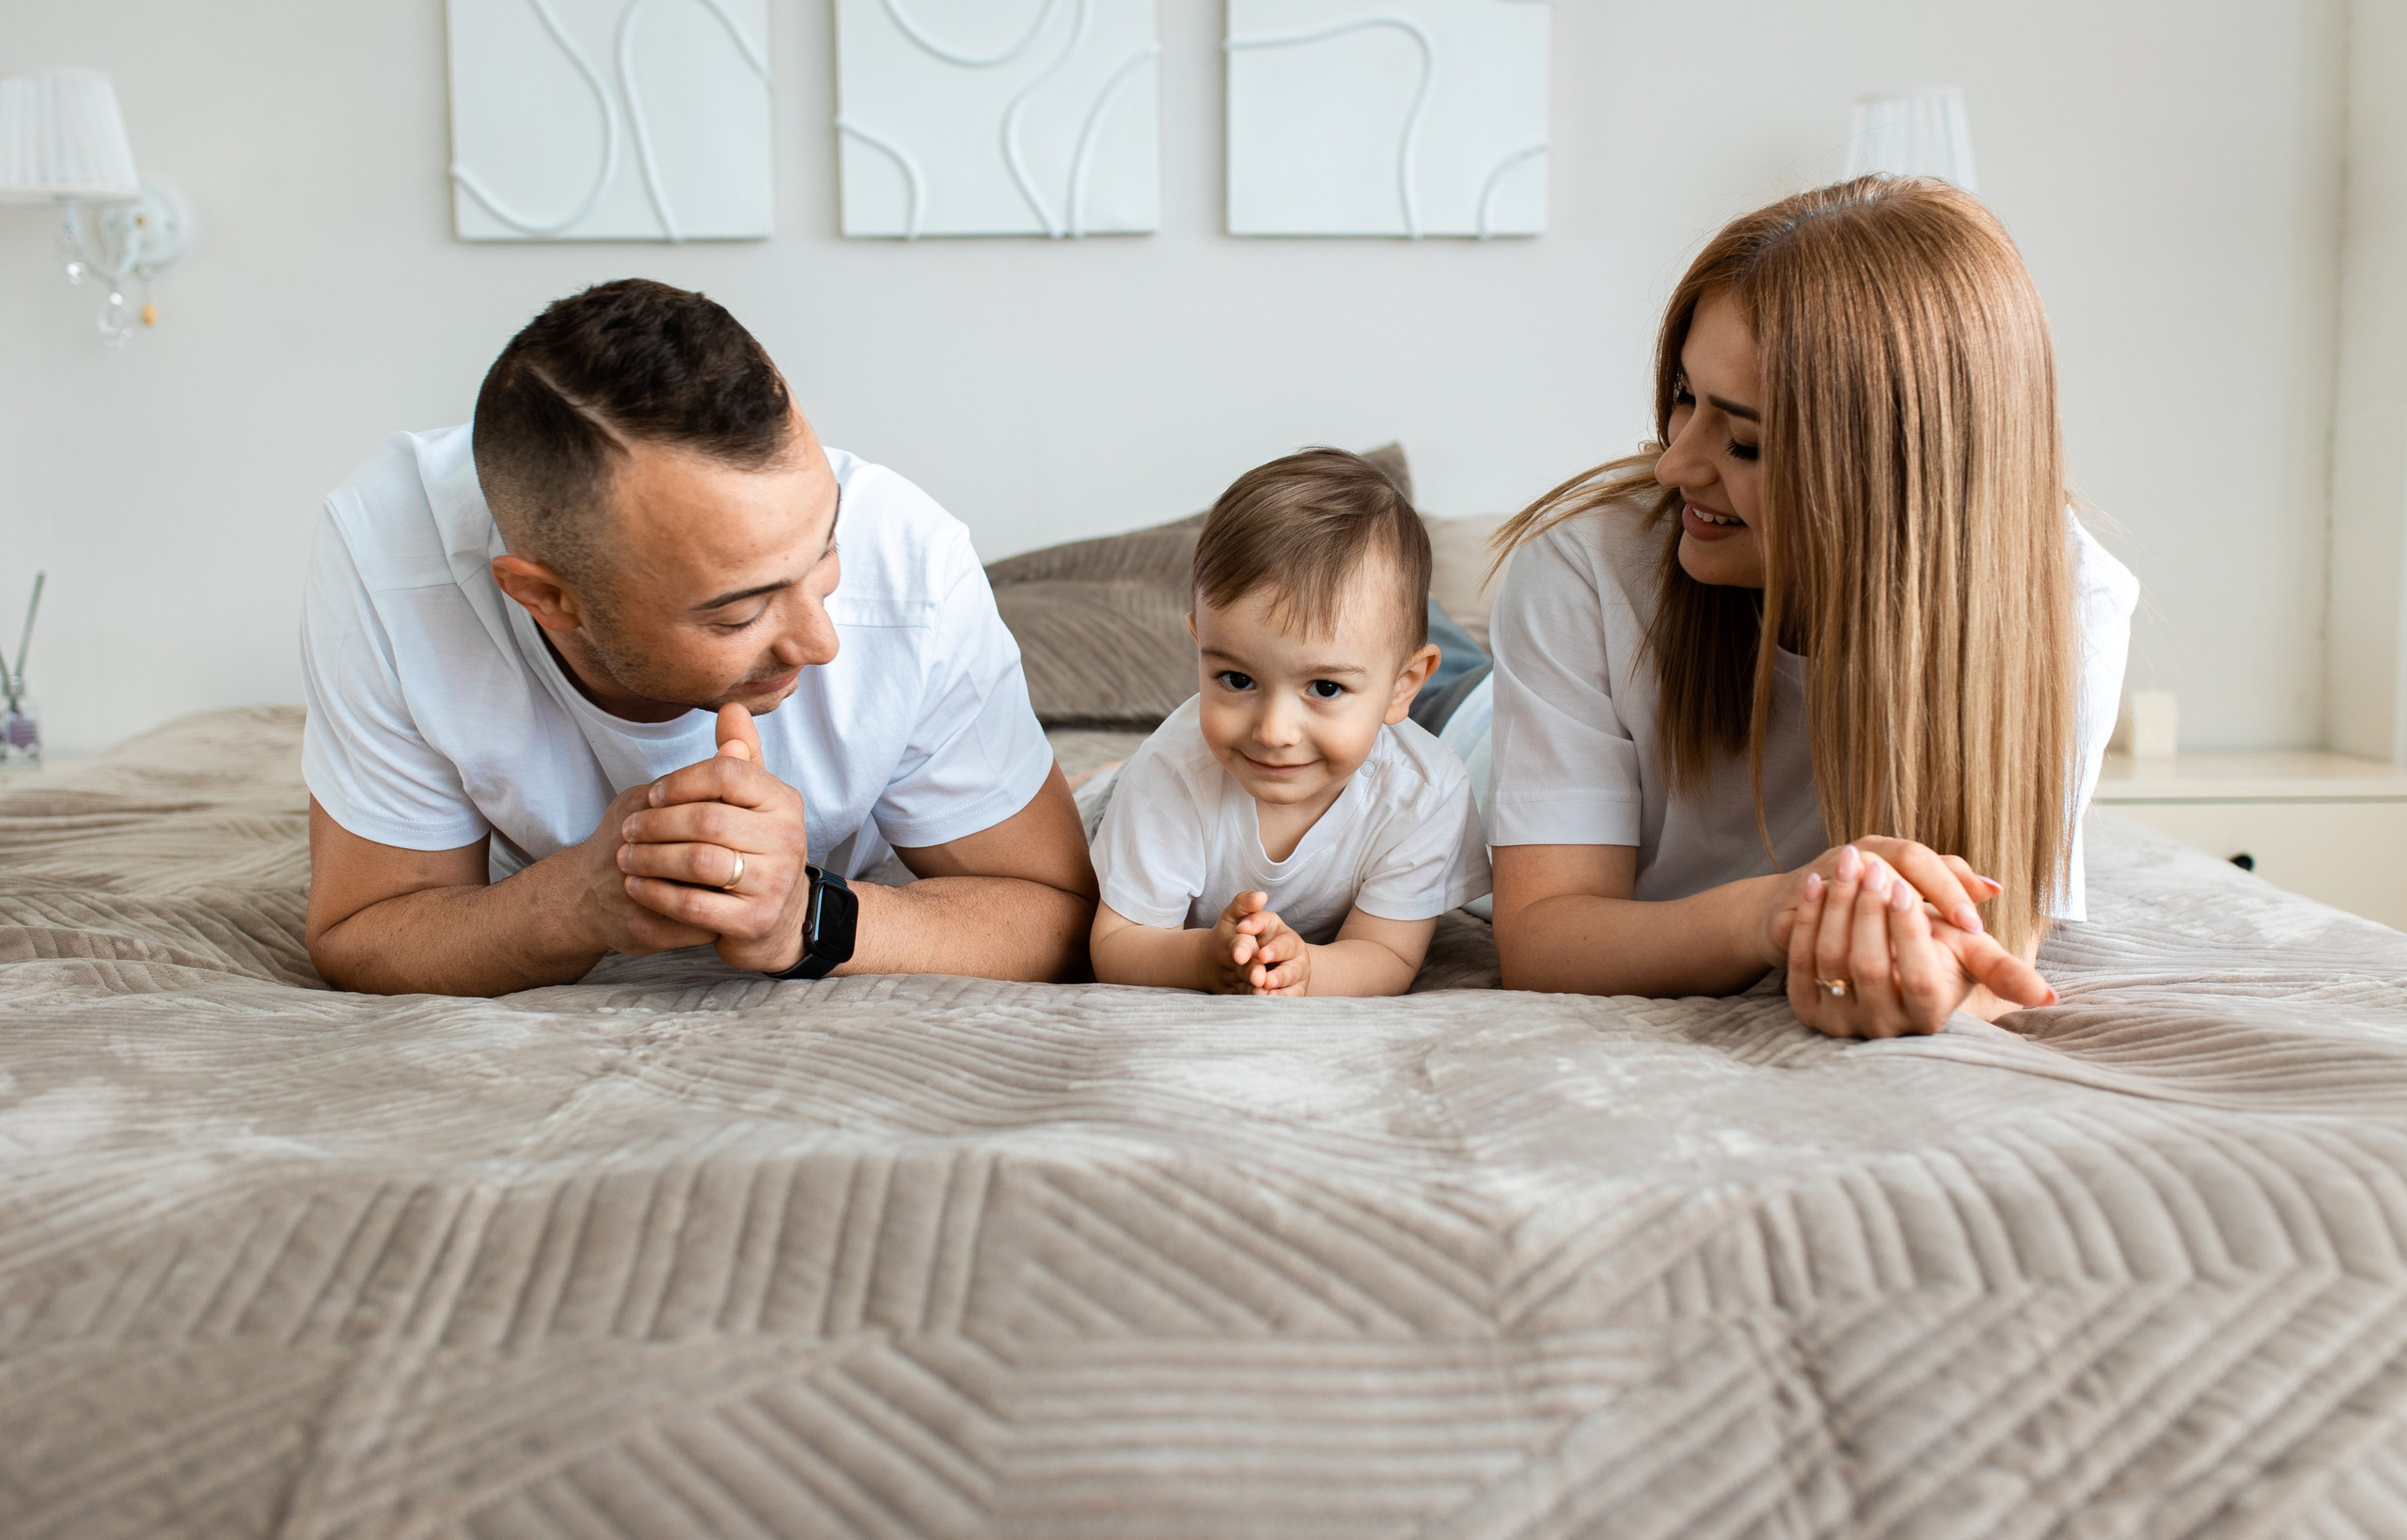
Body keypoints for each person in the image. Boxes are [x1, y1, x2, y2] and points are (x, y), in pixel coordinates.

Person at [1444, 177, 2138, 1036]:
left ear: (1897, 475)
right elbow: (1544, 939)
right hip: (1466, 726)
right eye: (1684, 397)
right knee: (1347, 642)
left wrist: (1927, 982)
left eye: (1745, 442)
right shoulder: (1582, 567)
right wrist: (1775, 912)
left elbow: (1994, 953)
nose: (1673, 466)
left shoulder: (2065, 601)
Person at [300, 279, 1096, 996]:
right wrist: (577, 901)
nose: (820, 643)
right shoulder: (390, 558)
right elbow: (363, 929)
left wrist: (806, 919)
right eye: (739, 615)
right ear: (547, 598)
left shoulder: (910, 563)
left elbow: (1057, 915)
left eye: (825, 554)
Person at [1088, 449, 1490, 996]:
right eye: (1237, 679)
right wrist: (1201, 959)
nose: (1273, 732)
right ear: (1199, 646)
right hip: (1112, 809)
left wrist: (1308, 971)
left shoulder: (1425, 793)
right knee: (1097, 802)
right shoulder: (1169, 777)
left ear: (1404, 685)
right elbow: (1119, 943)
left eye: (1325, 688)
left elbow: (1386, 952)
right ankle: (1099, 780)